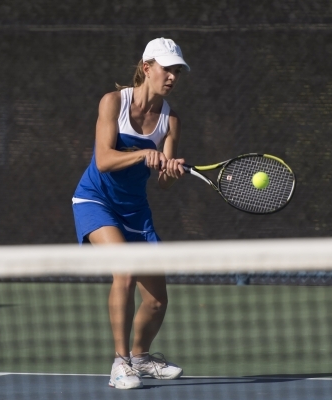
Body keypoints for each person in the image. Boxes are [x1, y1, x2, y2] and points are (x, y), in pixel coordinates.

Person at [71, 37, 189, 390]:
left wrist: (169, 172)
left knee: (156, 300)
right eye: (166, 68)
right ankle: (120, 363)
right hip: (95, 200)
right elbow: (105, 160)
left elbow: (164, 182)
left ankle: (140, 356)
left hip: (135, 210)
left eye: (177, 71)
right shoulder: (112, 103)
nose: (171, 76)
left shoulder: (170, 120)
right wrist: (141, 154)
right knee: (123, 271)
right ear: (146, 67)